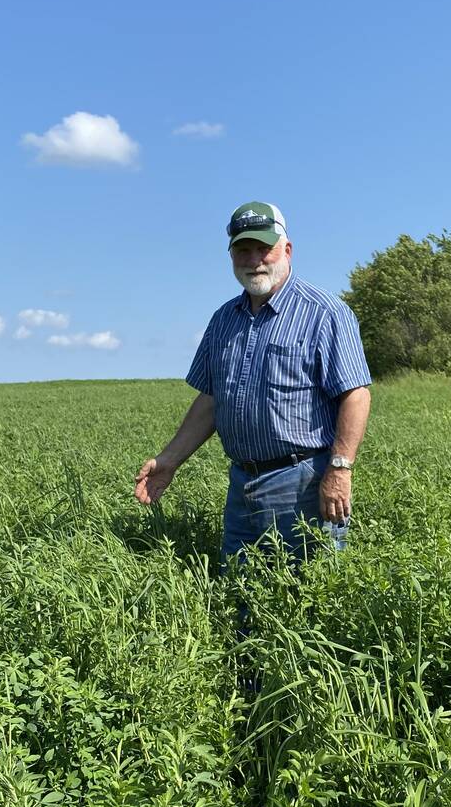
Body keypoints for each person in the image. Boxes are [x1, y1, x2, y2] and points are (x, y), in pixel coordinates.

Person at [134, 201, 372, 566]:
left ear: (286, 250)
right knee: (239, 597)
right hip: (241, 484)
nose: (254, 259)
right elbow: (212, 400)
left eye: (264, 248)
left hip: (304, 483)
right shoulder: (223, 320)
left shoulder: (324, 312)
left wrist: (339, 470)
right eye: (243, 250)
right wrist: (169, 460)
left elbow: (355, 394)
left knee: (307, 601)